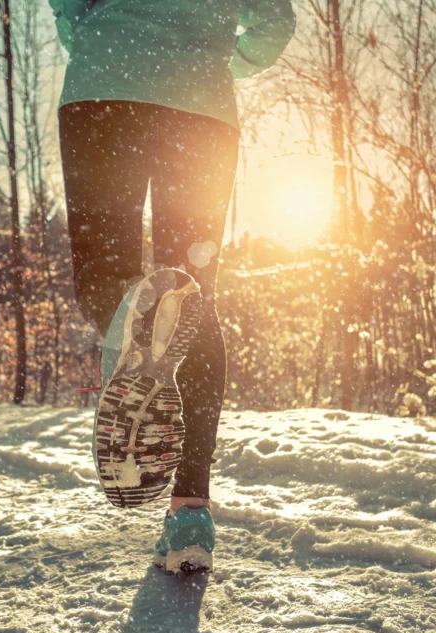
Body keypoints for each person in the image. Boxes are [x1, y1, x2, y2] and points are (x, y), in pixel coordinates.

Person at [51, 0, 296, 574]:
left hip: (105, 89)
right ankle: (190, 515)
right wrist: (210, 59)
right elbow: (276, 22)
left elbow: (65, 8)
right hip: (201, 109)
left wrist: (99, 38)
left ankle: (132, 326)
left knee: (103, 273)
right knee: (191, 296)